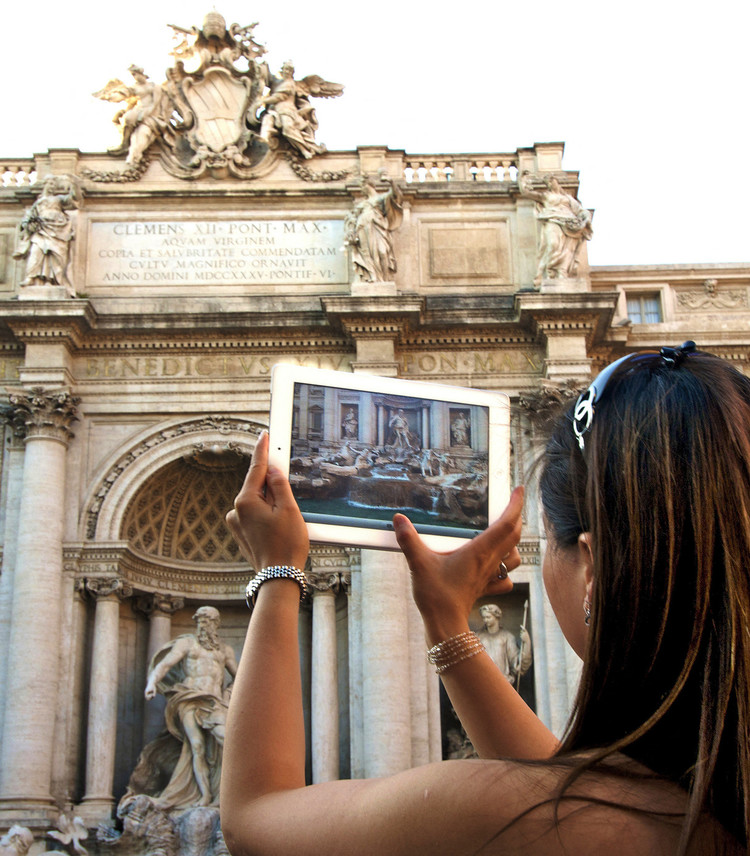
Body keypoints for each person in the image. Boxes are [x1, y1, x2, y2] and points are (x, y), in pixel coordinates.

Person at [222, 341, 747, 855]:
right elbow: (558, 788)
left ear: (591, 568)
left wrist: (278, 571)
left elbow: (254, 817)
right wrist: (447, 622)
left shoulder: (495, 815)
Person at [142, 605, 237, 808]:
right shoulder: (187, 644)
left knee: (228, 742)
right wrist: (152, 683)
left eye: (208, 620)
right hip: (189, 699)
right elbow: (165, 664)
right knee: (197, 746)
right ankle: (204, 796)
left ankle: (229, 793)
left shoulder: (225, 651)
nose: (203, 625)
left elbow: (240, 677)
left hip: (214, 703)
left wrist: (229, 695)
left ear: (216, 623)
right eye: (200, 620)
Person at [519, 171, 593, 285]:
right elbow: (526, 192)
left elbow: (580, 210)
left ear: (557, 182)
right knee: (553, 244)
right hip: (553, 219)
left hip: (569, 223)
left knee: (567, 249)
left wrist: (585, 217)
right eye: (547, 182)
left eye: (551, 180)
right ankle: (550, 271)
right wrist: (523, 179)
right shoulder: (545, 196)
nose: (550, 183)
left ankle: (561, 273)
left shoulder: (567, 198)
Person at [13, 175, 80, 294]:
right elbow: (27, 218)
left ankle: (52, 279)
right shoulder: (38, 203)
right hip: (41, 229)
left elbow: (74, 200)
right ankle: (32, 278)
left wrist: (74, 185)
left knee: (56, 256)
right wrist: (28, 224)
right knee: (36, 253)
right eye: (50, 184)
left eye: (54, 185)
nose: (51, 187)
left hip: (58, 229)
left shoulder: (58, 199)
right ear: (44, 185)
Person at [345, 172, 403, 282]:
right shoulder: (362, 204)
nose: (361, 190)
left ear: (367, 185)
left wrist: (391, 182)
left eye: (361, 187)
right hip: (362, 228)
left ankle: (383, 280)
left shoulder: (381, 198)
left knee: (382, 252)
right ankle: (372, 276)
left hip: (378, 228)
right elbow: (351, 218)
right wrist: (350, 231)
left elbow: (396, 196)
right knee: (367, 254)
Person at [476, 603, 531, 685]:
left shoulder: (507, 637)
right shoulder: (478, 637)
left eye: (488, 617)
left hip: (503, 683)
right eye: (484, 617)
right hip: (483, 683)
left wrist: (527, 642)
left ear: (496, 617)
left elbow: (517, 664)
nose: (485, 620)